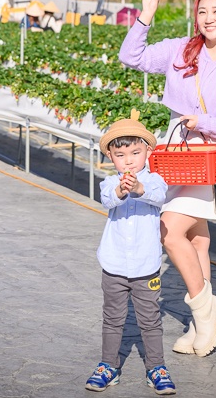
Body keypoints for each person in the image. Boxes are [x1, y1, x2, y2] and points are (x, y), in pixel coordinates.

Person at [119, 0, 216, 357]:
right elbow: (130, 56)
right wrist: (146, 14)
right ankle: (202, 321)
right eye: (202, 11)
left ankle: (205, 311)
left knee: (169, 231)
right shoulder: (180, 50)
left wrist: (205, 122)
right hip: (177, 157)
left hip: (212, 160)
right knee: (197, 239)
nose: (208, 18)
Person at [85, 110, 176, 395]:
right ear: (110, 157)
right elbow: (107, 200)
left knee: (150, 319)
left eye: (135, 153)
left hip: (146, 267)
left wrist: (137, 188)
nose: (129, 161)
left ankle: (156, 367)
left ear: (148, 151)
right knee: (113, 318)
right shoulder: (109, 183)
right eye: (121, 155)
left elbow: (158, 197)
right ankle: (108, 365)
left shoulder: (155, 181)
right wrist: (122, 191)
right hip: (113, 265)